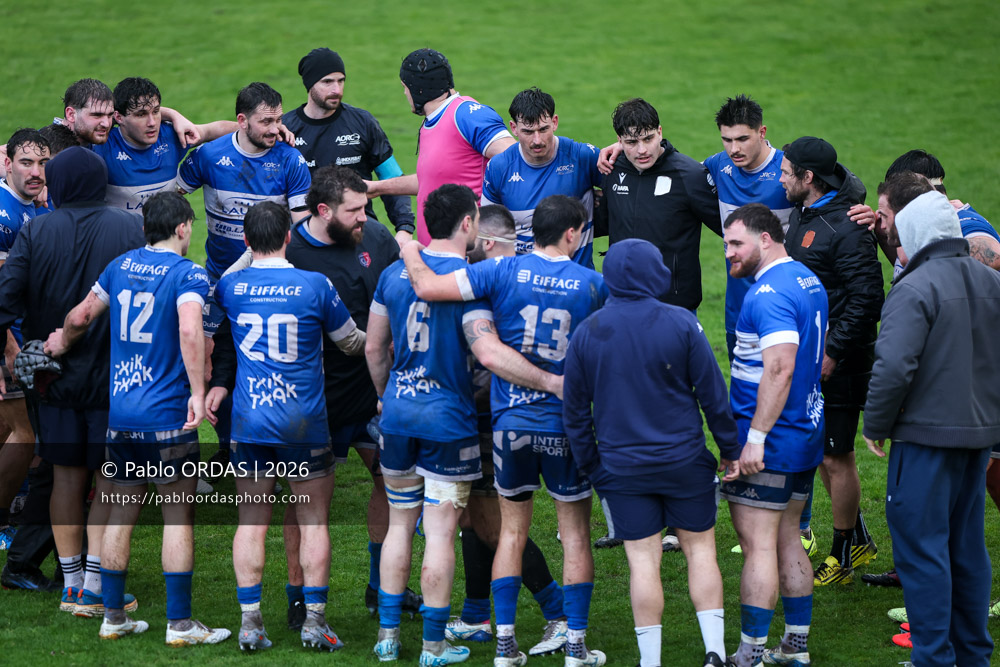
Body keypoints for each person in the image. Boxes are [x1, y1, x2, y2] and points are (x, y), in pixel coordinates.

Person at [398, 194, 608, 667]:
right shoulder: (593, 284)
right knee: (574, 535)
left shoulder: (501, 272)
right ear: (573, 234)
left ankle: (505, 647)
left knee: (511, 533)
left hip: (510, 425)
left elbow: (429, 288)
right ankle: (575, 647)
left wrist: (409, 246)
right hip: (566, 425)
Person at [366, 184, 562, 665]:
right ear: (469, 224)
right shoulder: (472, 279)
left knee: (397, 526)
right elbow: (486, 352)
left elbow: (374, 347)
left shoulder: (394, 274)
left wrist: (383, 395)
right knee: (439, 533)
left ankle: (388, 640)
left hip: (397, 414)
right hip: (448, 422)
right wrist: (549, 381)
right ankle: (433, 645)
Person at [42, 191, 228, 645]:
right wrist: (198, 392)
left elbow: (83, 314)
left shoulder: (120, 267)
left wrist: (61, 343)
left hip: (121, 416)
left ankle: (113, 617)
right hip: (167, 417)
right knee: (177, 518)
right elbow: (190, 328)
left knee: (119, 513)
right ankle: (181, 625)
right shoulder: (188, 274)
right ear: (184, 228)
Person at [562, 237, 741, 667]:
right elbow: (714, 396)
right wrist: (730, 449)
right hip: (685, 463)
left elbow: (573, 414)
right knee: (701, 551)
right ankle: (714, 652)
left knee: (642, 561)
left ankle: (650, 661)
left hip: (622, 470)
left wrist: (593, 468)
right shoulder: (681, 323)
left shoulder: (587, 332)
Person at [205, 201, 364, 652]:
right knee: (313, 521)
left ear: (247, 241)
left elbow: (217, 303)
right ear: (289, 238)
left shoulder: (233, 287)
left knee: (251, 522)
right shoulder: (314, 285)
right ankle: (314, 622)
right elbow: (350, 342)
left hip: (250, 421)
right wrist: (383, 342)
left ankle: (250, 623)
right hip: (304, 423)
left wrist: (246, 254)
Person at [0, 147, 146, 616]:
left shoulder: (36, 229)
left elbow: (5, 300)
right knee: (109, 477)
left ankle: (71, 583)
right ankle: (96, 581)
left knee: (64, 476)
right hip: (116, 377)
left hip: (53, 379)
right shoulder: (129, 227)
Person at [862, 183, 1000, 667]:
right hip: (979, 437)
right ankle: (973, 657)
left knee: (922, 554)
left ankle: (934, 659)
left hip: (923, 438)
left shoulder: (914, 286)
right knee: (967, 549)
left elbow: (894, 365)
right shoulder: (991, 281)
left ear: (915, 233)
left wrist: (875, 423)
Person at [444, 205, 570, 658]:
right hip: (481, 418)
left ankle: (557, 614)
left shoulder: (493, 283)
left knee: (496, 525)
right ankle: (477, 613)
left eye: (472, 241)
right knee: (473, 521)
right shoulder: (506, 278)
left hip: (485, 419)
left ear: (489, 244)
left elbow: (487, 363)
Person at [720, 203, 828, 667]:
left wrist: (756, 438)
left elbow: (780, 368)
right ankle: (795, 646)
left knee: (759, 546)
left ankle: (751, 654)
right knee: (788, 539)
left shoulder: (767, 294)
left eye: (736, 243)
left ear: (765, 238)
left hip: (770, 442)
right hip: (805, 434)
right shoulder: (807, 279)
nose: (729, 254)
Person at [780, 136, 882, 585]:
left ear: (809, 178)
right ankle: (857, 538)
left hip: (840, 363)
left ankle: (844, 555)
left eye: (786, 172)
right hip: (815, 358)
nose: (779, 178)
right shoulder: (810, 210)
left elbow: (867, 298)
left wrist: (833, 352)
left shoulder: (846, 227)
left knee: (837, 457)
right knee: (824, 453)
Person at [363, 48, 515, 245]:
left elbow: (515, 159)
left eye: (405, 87)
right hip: (437, 257)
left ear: (416, 88)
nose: (404, 93)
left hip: (468, 258)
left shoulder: (467, 114)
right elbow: (431, 181)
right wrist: (376, 188)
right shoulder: (432, 123)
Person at [594, 98, 722, 312]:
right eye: (632, 142)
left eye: (648, 138)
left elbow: (728, 227)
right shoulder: (613, 170)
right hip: (621, 301)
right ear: (619, 140)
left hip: (674, 307)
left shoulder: (689, 176)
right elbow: (605, 221)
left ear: (660, 132)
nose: (642, 150)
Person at [283, 48, 415, 247]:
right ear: (309, 85)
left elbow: (392, 177)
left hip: (361, 236)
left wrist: (404, 228)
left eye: (341, 80)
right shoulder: (287, 130)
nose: (337, 89)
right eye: (327, 82)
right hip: (309, 242)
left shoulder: (363, 122)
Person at [480, 87, 603, 268]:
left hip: (575, 282)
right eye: (528, 132)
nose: (537, 140)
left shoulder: (582, 157)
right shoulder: (499, 168)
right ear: (513, 128)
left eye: (543, 129)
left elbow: (627, 183)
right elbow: (487, 232)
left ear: (555, 122)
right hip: (524, 284)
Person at [0, 129, 50, 547]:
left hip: (18, 332)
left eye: (43, 164)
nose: (36, 172)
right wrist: (9, 345)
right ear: (7, 163)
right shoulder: (3, 214)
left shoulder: (29, 207)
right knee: (26, 432)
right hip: (6, 336)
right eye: (27, 163)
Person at [92, 77, 234, 212]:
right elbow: (74, 127)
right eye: (141, 115)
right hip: (120, 237)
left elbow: (213, 130)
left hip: (166, 237)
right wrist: (171, 113)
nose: (152, 123)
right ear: (118, 117)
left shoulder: (171, 136)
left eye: (156, 112)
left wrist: (249, 127)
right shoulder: (102, 144)